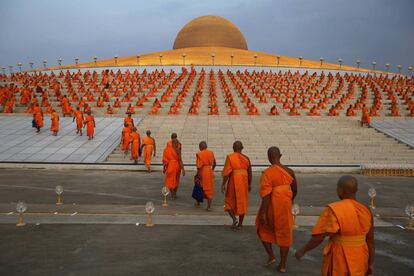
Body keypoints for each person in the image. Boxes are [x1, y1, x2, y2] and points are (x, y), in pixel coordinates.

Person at [295, 175, 374, 276]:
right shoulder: (366, 210)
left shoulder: (334, 210)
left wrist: (303, 250)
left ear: (340, 190)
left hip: (340, 256)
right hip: (361, 257)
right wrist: (371, 263)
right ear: (356, 190)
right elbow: (370, 241)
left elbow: (319, 236)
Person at [256, 147, 297, 273]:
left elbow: (266, 195)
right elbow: (295, 190)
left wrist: (263, 212)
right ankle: (283, 265)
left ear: (268, 158)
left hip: (270, 208)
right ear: (280, 155)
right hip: (285, 207)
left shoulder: (268, 173)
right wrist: (288, 201)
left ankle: (271, 256)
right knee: (285, 233)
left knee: (262, 228)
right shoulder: (290, 171)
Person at [221, 141, 252, 229]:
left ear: (233, 148)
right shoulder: (246, 158)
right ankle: (240, 224)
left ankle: (234, 219)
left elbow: (227, 173)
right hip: (243, 181)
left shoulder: (230, 157)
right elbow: (249, 172)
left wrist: (223, 184)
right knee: (242, 201)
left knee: (228, 201)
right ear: (242, 148)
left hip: (233, 181)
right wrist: (249, 184)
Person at [196, 141, 216, 211]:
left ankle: (198, 203)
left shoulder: (199, 154)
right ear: (206, 147)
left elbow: (199, 166)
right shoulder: (211, 153)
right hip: (209, 171)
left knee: (198, 186)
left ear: (200, 147)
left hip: (202, 171)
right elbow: (214, 163)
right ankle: (209, 206)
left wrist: (198, 175)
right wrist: (211, 170)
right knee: (209, 188)